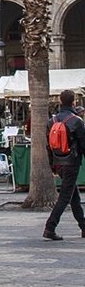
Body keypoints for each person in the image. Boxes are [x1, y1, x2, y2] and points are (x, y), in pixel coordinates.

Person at [43, 89, 85, 241]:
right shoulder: (77, 121)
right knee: (65, 197)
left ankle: (83, 226)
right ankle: (50, 227)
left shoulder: (51, 121)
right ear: (74, 102)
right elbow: (83, 145)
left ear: (60, 101)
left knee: (73, 195)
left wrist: (52, 165)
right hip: (71, 163)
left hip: (58, 162)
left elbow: (48, 146)